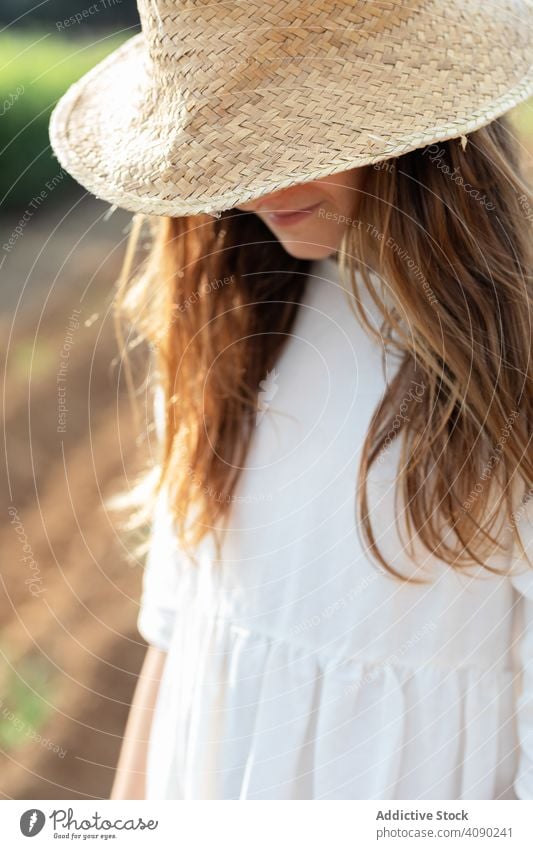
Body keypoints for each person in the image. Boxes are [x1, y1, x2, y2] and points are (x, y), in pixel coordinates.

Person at [49, 0, 533, 799]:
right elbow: (178, 627)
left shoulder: (508, 369)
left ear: (409, 113)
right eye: (229, 142)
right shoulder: (239, 313)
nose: (252, 185)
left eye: (292, 135)